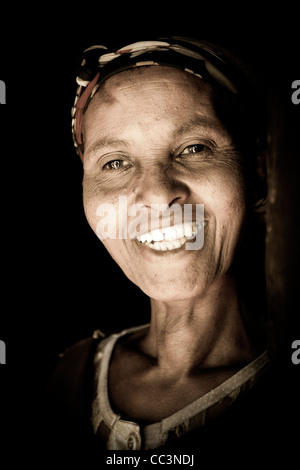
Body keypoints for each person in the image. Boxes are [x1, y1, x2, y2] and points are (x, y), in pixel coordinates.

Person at [47, 37, 274, 456]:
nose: (155, 194)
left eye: (194, 148)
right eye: (115, 162)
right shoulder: (68, 376)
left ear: (257, 176)